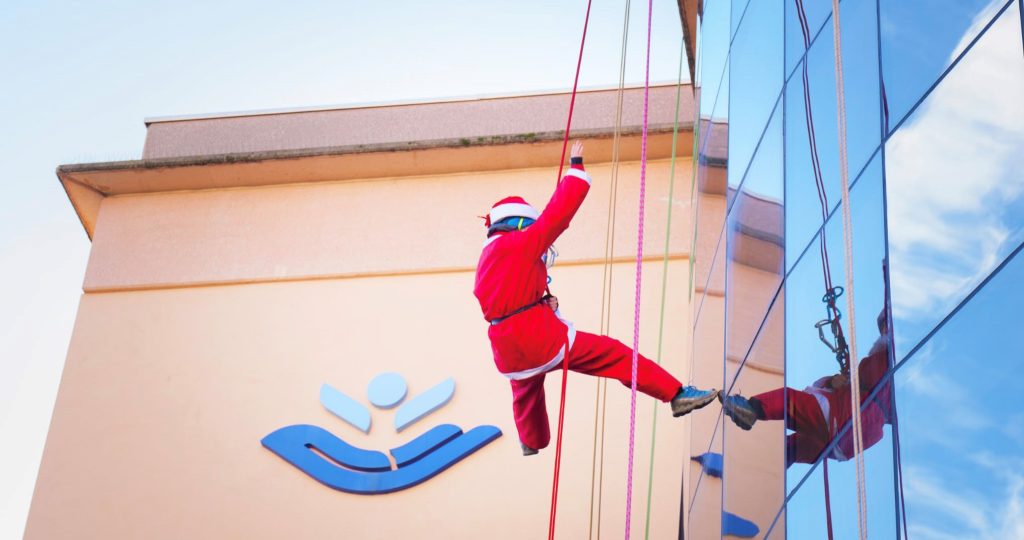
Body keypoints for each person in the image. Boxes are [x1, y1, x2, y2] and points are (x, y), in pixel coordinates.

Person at [473, 140, 717, 456]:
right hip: (537, 338)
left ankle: (531, 441)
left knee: (526, 389)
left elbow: (506, 301)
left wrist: (541, 306)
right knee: (613, 355)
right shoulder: (519, 244)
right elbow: (556, 217)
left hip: (506, 348)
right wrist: (576, 169)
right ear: (519, 224)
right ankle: (675, 394)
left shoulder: (486, 261)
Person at [718, 307, 894, 466]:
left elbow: (861, 380)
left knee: (789, 400)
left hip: (840, 419)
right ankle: (767, 464)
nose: (883, 331)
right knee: (795, 447)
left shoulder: (883, 361)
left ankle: (749, 411)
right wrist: (837, 381)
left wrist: (842, 380)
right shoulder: (881, 406)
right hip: (840, 446)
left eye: (886, 326)